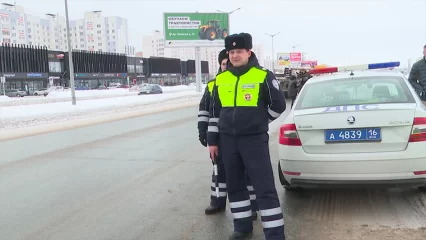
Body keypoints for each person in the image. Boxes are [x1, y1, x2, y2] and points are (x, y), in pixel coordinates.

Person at [207, 33, 287, 240]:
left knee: (264, 187)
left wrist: (260, 121)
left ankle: (275, 234)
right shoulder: (221, 79)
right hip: (227, 141)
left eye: (238, 51)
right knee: (235, 185)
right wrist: (212, 142)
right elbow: (215, 113)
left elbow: (278, 106)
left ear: (248, 52)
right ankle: (242, 227)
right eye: (231, 52)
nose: (234, 55)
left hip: (253, 140)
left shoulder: (263, 75)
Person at [198, 49, 258, 218]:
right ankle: (217, 202)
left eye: (228, 63)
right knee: (218, 170)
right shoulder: (213, 84)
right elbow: (205, 111)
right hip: (217, 134)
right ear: (220, 65)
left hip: (239, 136)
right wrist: (204, 133)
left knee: (245, 172)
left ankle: (251, 207)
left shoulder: (242, 81)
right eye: (224, 64)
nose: (226, 66)